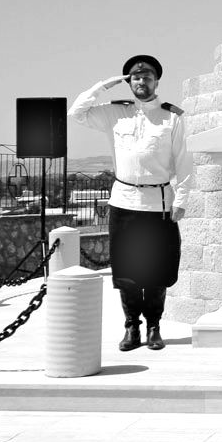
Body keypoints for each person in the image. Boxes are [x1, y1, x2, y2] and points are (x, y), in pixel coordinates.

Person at [69, 55, 193, 352]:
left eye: (147, 77)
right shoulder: (115, 113)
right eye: (135, 77)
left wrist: (182, 199)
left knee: (156, 270)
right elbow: (77, 113)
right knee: (126, 271)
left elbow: (184, 161)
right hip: (124, 203)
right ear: (129, 81)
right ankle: (132, 327)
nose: (141, 81)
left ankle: (154, 326)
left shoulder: (172, 117)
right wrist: (104, 85)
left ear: (156, 82)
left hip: (158, 204)